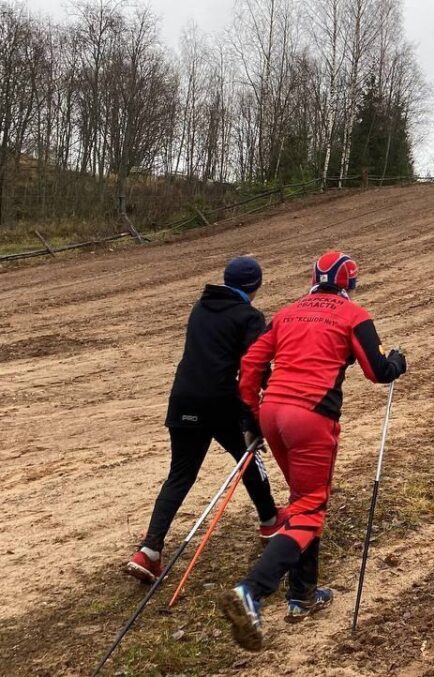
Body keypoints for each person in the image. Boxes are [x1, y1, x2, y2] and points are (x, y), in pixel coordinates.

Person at [219, 251, 407, 651]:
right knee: (311, 507)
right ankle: (251, 592)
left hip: (273, 411)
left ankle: (302, 595)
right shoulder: (353, 314)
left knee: (301, 500)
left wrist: (251, 419)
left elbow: (251, 362)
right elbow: (376, 371)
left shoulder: (287, 312)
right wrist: (397, 363)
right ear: (349, 282)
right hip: (311, 416)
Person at [125, 257, 283, 584]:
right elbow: (255, 365)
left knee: (180, 475)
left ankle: (149, 550)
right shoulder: (248, 316)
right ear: (255, 286)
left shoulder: (201, 307)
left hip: (183, 398)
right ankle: (270, 520)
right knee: (249, 455)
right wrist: (259, 409)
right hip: (221, 401)